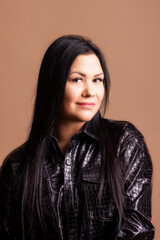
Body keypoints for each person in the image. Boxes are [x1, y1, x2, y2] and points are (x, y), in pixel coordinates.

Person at [0, 35, 154, 240]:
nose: (90, 91)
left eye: (97, 80)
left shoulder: (124, 142)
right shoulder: (17, 165)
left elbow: (138, 229)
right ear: (52, 84)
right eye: (77, 79)